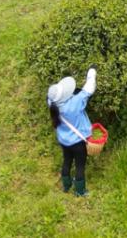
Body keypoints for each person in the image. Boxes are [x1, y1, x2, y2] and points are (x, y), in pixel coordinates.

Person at [47, 66, 97, 196]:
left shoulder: (52, 103)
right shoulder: (75, 102)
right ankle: (80, 191)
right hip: (78, 142)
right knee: (80, 166)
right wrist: (92, 71)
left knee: (67, 160)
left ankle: (66, 185)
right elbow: (89, 88)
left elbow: (54, 98)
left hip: (64, 141)